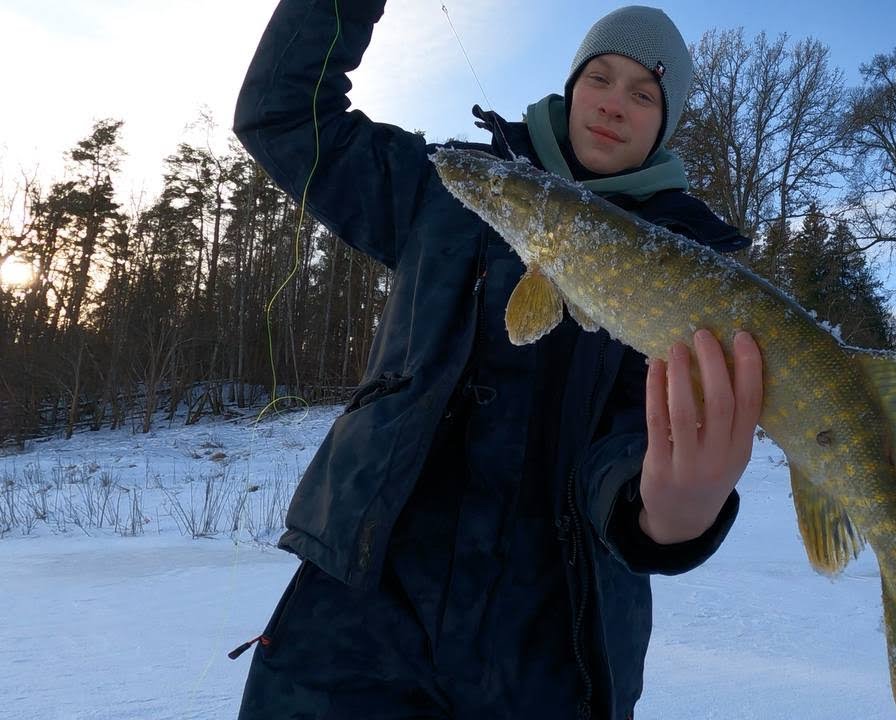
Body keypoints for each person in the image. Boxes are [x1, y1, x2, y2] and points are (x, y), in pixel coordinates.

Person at [231, 2, 762, 719]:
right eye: (600, 77)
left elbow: (629, 445)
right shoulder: (449, 185)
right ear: (572, 85)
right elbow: (283, 115)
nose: (614, 103)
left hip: (554, 643)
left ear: (664, 124)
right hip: (363, 614)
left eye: (644, 94)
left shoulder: (688, 275)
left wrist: (665, 513)